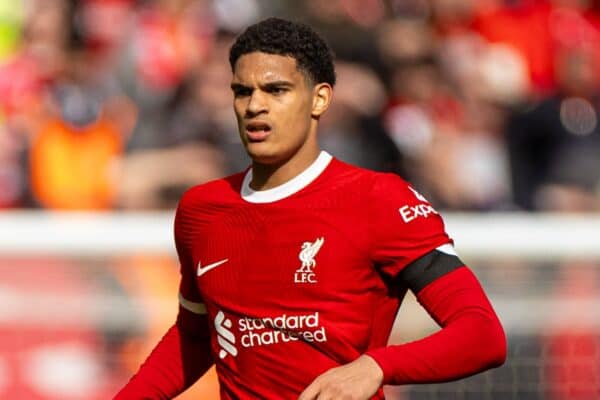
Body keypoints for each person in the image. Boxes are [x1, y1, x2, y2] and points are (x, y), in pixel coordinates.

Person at [115, 17, 506, 400]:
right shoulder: (202, 210)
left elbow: (481, 334)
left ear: (320, 98)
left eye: (276, 90)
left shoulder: (379, 199)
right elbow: (197, 334)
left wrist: (376, 367)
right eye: (242, 91)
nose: (255, 106)